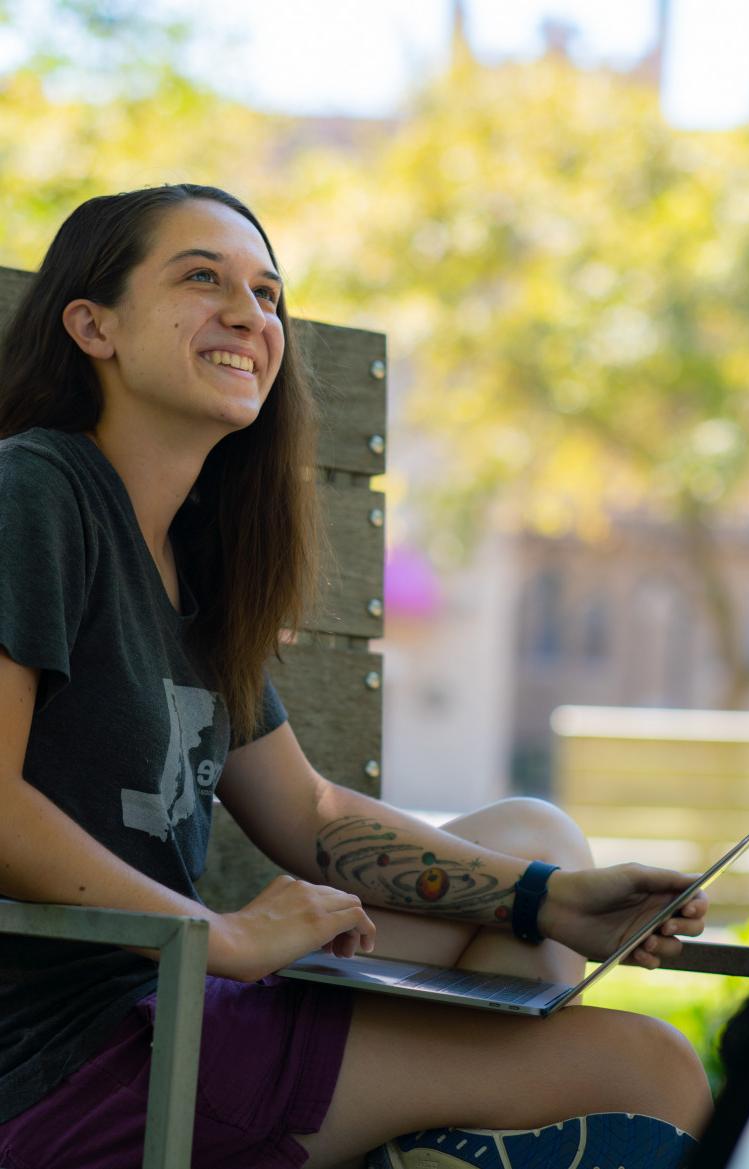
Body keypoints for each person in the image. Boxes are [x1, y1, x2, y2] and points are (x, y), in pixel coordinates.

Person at [0, 183, 712, 1169]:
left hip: (165, 1008)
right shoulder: (34, 489)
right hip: (62, 1070)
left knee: (532, 844)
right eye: (203, 278)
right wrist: (221, 934)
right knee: (652, 1069)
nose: (251, 314)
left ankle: (425, 1144)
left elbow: (313, 815)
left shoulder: (196, 564)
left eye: (268, 293)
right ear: (94, 324)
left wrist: (554, 899)